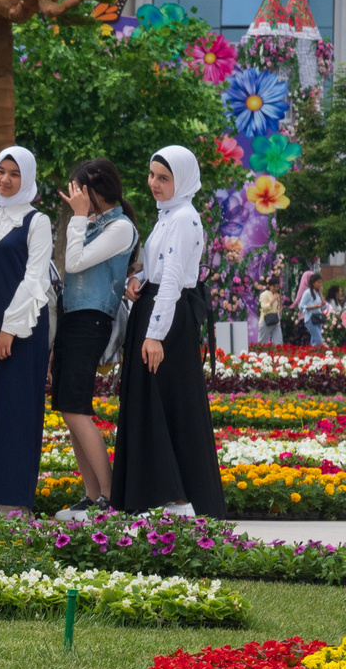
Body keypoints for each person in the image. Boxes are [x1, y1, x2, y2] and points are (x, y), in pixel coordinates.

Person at [112, 146, 226, 517]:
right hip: (159, 312)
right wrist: (138, 279)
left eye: (164, 177)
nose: (154, 183)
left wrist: (154, 334)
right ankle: (170, 497)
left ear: (182, 179)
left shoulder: (182, 218)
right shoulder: (168, 216)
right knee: (159, 405)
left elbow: (174, 280)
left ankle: (178, 499)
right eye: (152, 175)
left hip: (167, 320)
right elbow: (158, 268)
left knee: (165, 406)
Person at [0, 147, 52, 513]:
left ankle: (12, 500)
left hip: (23, 328)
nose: (4, 179)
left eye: (14, 174)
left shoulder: (37, 222)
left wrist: (10, 330)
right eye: (0, 171)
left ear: (27, 179)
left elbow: (35, 279)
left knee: (18, 408)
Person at [54, 160, 133, 517]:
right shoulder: (92, 223)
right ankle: (91, 494)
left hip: (92, 321)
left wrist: (77, 218)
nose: (72, 197)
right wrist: (81, 218)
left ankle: (108, 496)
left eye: (77, 190)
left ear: (94, 190)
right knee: (69, 410)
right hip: (73, 319)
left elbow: (74, 262)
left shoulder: (119, 227)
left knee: (77, 409)